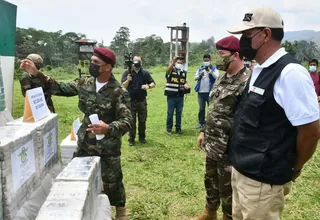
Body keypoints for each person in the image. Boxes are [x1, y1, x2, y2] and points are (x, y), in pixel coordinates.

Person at [227, 7, 320, 220]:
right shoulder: (259, 70)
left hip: (263, 181)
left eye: (247, 34)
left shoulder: (290, 74)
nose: (242, 40)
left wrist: (295, 167)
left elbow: (311, 131)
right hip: (242, 171)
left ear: (266, 34)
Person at [20, 47, 132, 220]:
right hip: (86, 142)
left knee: (112, 181)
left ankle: (120, 212)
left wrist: (108, 127)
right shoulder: (84, 82)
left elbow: (127, 121)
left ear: (108, 67)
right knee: (79, 175)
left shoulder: (118, 92)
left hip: (107, 146)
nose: (92, 65)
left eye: (96, 63)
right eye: (92, 61)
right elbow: (58, 87)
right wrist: (36, 73)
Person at [196, 36, 251, 220]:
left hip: (229, 148)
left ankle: (228, 217)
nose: (217, 57)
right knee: (210, 180)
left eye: (221, 54)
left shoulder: (247, 81)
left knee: (228, 189)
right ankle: (210, 211)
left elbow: (245, 120)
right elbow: (213, 108)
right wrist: (203, 131)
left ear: (236, 55)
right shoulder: (221, 78)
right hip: (213, 143)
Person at [121, 56, 155, 146]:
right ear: (132, 62)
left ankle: (142, 137)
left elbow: (153, 83)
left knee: (142, 120)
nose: (137, 63)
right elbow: (122, 86)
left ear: (141, 62)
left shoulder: (145, 73)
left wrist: (148, 86)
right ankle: (131, 138)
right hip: (130, 101)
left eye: (139, 61)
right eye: (135, 61)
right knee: (131, 121)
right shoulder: (127, 73)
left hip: (141, 100)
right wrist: (127, 80)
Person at [164, 56, 190, 134]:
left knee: (179, 112)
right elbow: (168, 71)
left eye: (181, 63)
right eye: (178, 63)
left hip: (180, 96)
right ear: (175, 63)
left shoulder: (183, 72)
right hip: (171, 95)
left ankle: (178, 128)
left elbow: (184, 81)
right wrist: (173, 62)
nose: (179, 64)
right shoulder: (171, 70)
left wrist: (186, 85)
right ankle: (169, 128)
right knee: (170, 113)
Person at [194, 54, 219, 129]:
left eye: (207, 61)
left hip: (210, 92)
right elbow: (195, 78)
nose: (206, 62)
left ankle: (210, 123)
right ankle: (201, 123)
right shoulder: (200, 68)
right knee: (201, 109)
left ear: (210, 60)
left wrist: (210, 71)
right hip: (201, 92)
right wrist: (199, 75)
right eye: (205, 61)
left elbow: (217, 77)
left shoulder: (214, 68)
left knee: (210, 109)